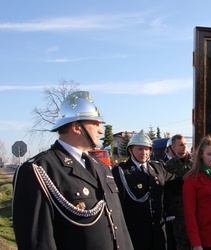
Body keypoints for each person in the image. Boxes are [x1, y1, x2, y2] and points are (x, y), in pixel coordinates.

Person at [12, 91, 134, 250]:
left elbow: (120, 228)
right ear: (77, 127)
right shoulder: (38, 170)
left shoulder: (102, 167)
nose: (100, 131)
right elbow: (37, 242)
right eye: (96, 124)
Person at [112, 129, 179, 250]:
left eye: (147, 149)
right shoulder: (121, 171)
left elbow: (178, 183)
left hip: (158, 232)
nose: (144, 152)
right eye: (140, 149)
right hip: (135, 234)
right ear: (130, 150)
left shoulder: (157, 168)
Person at [164, 134, 193, 250]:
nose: (184, 147)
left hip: (195, 207)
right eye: (181, 145)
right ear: (173, 148)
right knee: (182, 241)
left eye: (185, 144)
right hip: (179, 210)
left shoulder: (194, 163)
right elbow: (167, 188)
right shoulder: (168, 166)